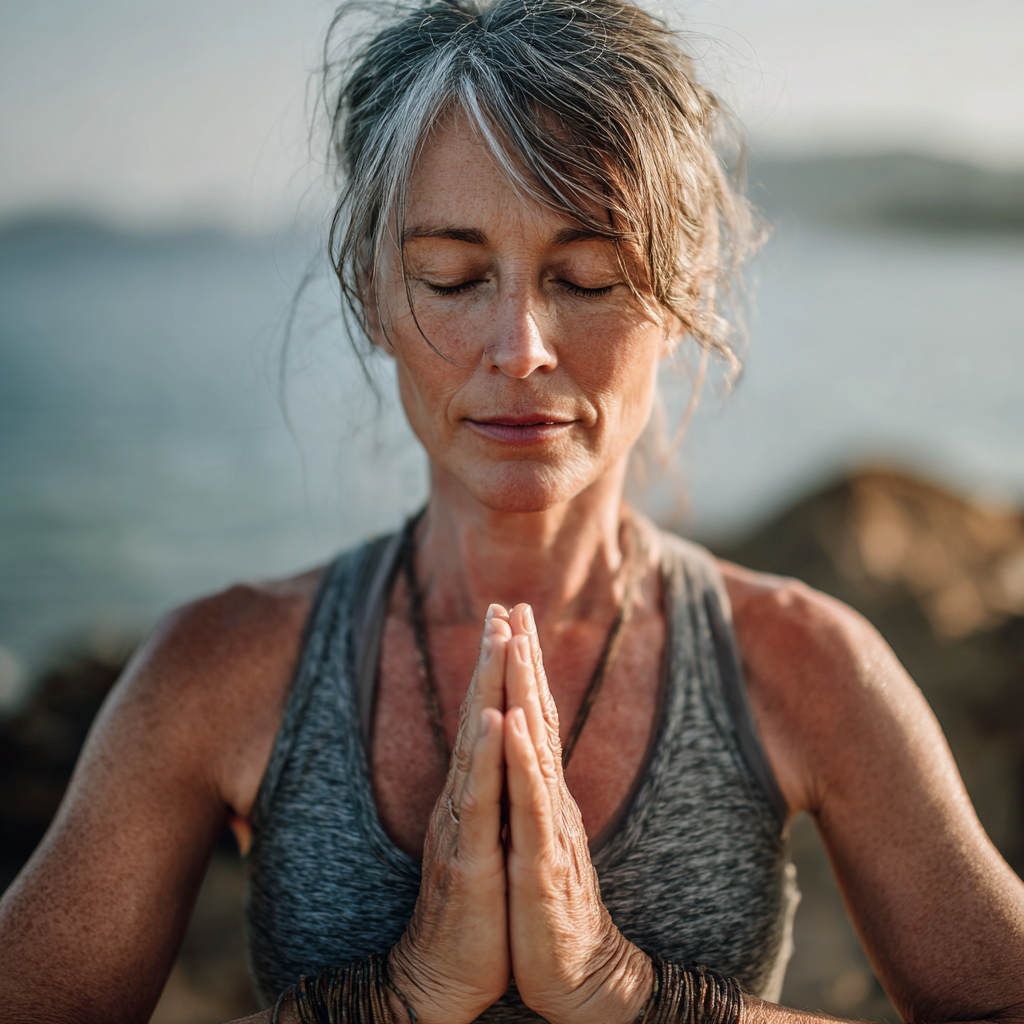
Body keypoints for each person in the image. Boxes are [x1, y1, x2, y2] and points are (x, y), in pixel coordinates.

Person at [1, 1, 1022, 1022]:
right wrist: (394, 1000)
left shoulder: (805, 665)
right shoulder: (215, 671)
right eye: (452, 278)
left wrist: (628, 992)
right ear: (372, 294)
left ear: (682, 297)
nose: (520, 345)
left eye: (587, 276)